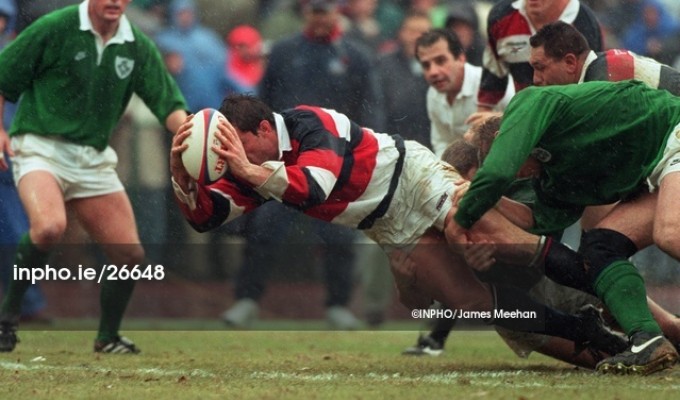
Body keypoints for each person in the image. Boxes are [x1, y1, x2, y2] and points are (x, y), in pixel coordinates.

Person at [171, 93, 631, 369]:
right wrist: (182, 175)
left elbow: (315, 187)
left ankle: (630, 311)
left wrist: (248, 171)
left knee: (478, 235)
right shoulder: (257, 163)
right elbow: (206, 218)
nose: (232, 158)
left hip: (412, 176)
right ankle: (584, 330)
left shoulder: (312, 124)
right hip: (386, 222)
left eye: (238, 144)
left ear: (264, 128)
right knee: (469, 304)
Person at [449, 80, 680, 374]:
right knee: (599, 249)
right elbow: (533, 219)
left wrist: (462, 219)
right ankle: (648, 341)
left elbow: (496, 173)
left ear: (503, 136)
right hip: (658, 172)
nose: (516, 178)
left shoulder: (529, 103)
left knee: (671, 234)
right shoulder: (554, 180)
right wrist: (490, 199)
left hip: (674, 131)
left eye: (540, 65)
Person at [0, 0, 188, 353]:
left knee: (130, 255)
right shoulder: (55, 27)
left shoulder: (137, 44)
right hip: (40, 145)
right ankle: (7, 316)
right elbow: (3, 78)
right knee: (49, 228)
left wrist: (197, 135)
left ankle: (107, 337)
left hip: (93, 156)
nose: (116, 2)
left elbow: (169, 105)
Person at [477, 0, 603, 113]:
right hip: (523, 117)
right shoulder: (501, 18)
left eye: (541, 67)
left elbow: (592, 93)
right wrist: (485, 117)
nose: (535, 79)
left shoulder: (584, 23)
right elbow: (489, 92)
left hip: (569, 116)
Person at [416, 28, 514, 157]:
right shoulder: (433, 94)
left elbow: (526, 120)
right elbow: (442, 142)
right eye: (426, 65)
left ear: (461, 58)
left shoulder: (493, 84)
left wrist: (499, 120)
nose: (433, 72)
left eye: (441, 61)